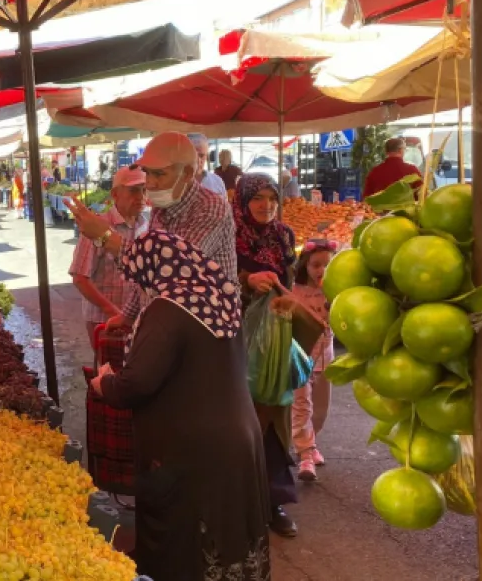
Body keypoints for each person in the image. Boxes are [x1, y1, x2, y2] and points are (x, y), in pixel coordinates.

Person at [87, 230, 270, 580]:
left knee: (190, 544)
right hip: (240, 439)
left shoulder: (167, 310)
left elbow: (137, 383)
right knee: (233, 532)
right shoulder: (222, 297)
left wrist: (105, 382)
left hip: (193, 452)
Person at [68, 132, 238, 330]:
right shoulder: (161, 207)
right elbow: (145, 278)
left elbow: (173, 269)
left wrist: (105, 237)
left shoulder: (211, 208)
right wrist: (128, 315)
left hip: (204, 328)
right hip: (165, 324)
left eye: (159, 174)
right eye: (148, 173)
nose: (150, 183)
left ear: (187, 174)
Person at [233, 172, 300, 538]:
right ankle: (241, 500)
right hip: (237, 340)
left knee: (275, 416)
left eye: (271, 197)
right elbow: (218, 282)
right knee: (244, 419)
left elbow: (290, 279)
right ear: (243, 201)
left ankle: (274, 502)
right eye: (257, 197)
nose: (266, 205)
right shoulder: (229, 236)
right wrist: (246, 282)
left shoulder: (283, 235)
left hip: (277, 337)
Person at [68, 167, 147, 347]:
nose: (141, 196)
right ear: (115, 194)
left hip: (138, 320)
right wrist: (113, 312)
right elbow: (80, 278)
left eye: (144, 189)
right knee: (109, 369)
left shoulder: (146, 225)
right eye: (134, 190)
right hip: (104, 320)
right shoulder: (98, 226)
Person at [291, 239, 337, 482]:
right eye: (316, 265)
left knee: (320, 410)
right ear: (305, 266)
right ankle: (304, 452)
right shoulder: (294, 291)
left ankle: (311, 442)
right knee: (301, 405)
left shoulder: (336, 292)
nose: (321, 271)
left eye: (327, 266)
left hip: (325, 359)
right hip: (299, 358)